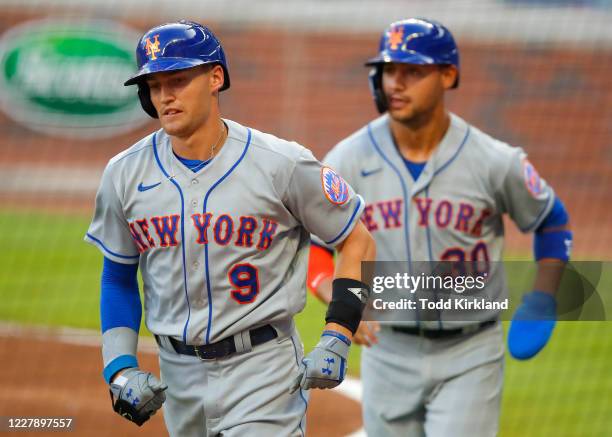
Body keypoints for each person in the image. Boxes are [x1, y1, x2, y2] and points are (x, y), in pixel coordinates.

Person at [85, 20, 375, 436]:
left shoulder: (281, 164)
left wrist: (337, 333)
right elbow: (117, 276)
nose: (165, 95)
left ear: (215, 77)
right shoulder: (123, 174)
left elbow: (356, 238)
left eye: (179, 79)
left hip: (264, 372)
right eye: (153, 85)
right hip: (178, 378)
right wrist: (118, 367)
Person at [308, 17, 572, 436]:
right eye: (389, 70)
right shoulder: (349, 158)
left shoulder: (493, 160)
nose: (396, 83)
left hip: (470, 351)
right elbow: (318, 247)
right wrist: (337, 301)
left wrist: (542, 300)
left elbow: (552, 221)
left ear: (448, 75)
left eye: (413, 71)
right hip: (386, 347)